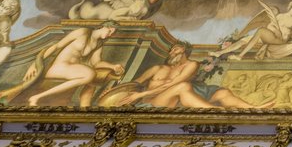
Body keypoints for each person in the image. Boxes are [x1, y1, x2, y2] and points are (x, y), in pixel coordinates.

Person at [0, 23, 124, 107]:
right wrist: (35, 64)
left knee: (92, 82)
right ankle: (36, 97)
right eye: (110, 31)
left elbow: (97, 62)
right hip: (58, 67)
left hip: (70, 68)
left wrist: (113, 67)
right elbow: (57, 46)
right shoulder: (83, 32)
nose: (110, 34)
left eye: (112, 33)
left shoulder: (98, 43)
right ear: (105, 26)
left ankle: (84, 109)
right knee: (89, 74)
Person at [112, 42, 267, 108]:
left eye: (175, 49)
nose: (171, 52)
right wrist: (114, 92)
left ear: (184, 50)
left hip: (179, 97)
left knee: (223, 92)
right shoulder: (157, 68)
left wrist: (141, 93)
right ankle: (214, 110)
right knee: (183, 87)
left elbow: (173, 83)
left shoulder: (191, 64)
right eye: (171, 50)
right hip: (154, 102)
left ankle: (253, 108)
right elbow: (134, 83)